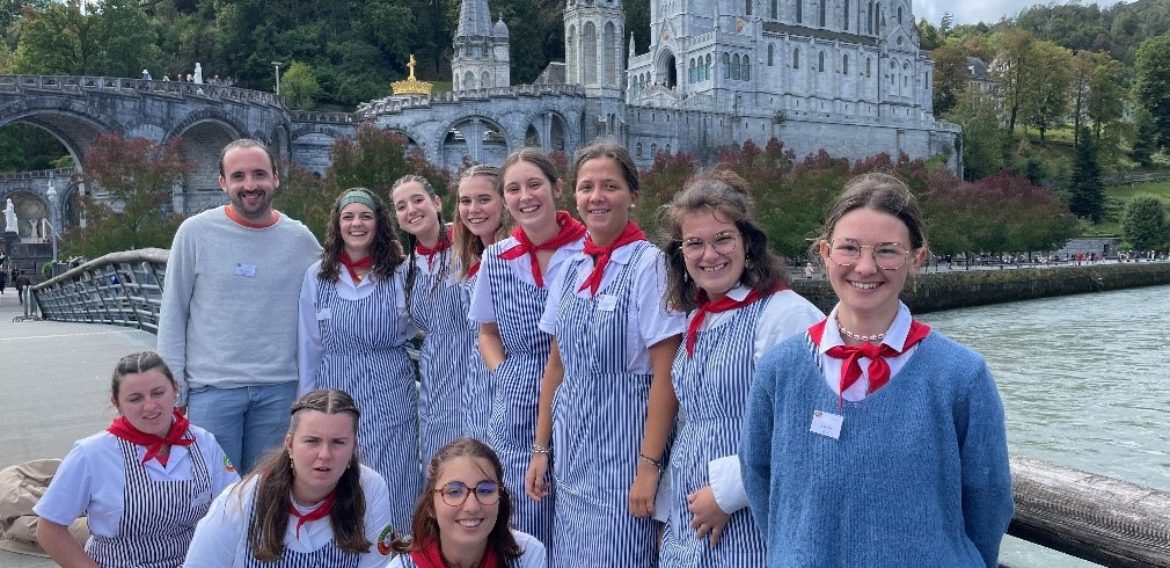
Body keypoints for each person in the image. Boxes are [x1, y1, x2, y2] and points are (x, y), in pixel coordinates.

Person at [740, 173, 1014, 568]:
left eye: (887, 251)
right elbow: (759, 477)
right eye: (849, 248)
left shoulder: (961, 376)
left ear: (916, 259)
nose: (865, 267)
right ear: (825, 254)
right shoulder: (780, 369)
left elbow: (989, 496)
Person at [525, 142, 683, 566]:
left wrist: (649, 466)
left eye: (610, 186)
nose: (596, 197)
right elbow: (556, 367)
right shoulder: (570, 267)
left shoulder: (651, 266)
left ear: (633, 195)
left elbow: (666, 376)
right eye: (586, 187)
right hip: (574, 445)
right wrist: (542, 448)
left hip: (626, 448)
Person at [655, 171, 823, 566]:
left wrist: (729, 493)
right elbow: (691, 428)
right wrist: (669, 513)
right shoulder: (700, 317)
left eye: (722, 239)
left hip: (749, 519)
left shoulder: (785, 314)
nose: (709, 255)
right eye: (694, 243)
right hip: (690, 522)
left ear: (747, 243)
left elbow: (805, 425)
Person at [157, 138, 321, 475]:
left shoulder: (300, 239)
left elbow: (338, 288)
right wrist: (173, 387)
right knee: (213, 494)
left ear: (276, 177)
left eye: (259, 174)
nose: (250, 185)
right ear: (223, 182)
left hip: (280, 389)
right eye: (239, 176)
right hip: (213, 389)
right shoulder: (195, 233)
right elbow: (173, 311)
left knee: (268, 494)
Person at [469, 148, 587, 548]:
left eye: (534, 184)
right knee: (518, 511)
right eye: (514, 189)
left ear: (557, 189)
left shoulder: (590, 250)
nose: (525, 196)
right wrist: (503, 372)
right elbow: (486, 331)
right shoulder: (496, 258)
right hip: (517, 398)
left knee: (575, 512)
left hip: (579, 392)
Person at [34, 352, 239, 568]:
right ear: (117, 403)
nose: (150, 406)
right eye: (135, 398)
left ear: (175, 390)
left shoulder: (203, 442)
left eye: (158, 393)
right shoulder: (92, 453)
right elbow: (49, 528)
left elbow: (234, 508)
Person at [297, 187, 419, 534]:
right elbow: (309, 344)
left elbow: (417, 324)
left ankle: (394, 551)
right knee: (337, 470)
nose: (357, 223)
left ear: (379, 223)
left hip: (389, 388)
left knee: (394, 473)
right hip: (335, 388)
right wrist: (305, 407)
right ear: (337, 224)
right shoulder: (318, 275)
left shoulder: (400, 272)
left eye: (366, 216)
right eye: (348, 216)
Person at [184, 389, 394, 567]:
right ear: (289, 444)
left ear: (354, 447)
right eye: (312, 441)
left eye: (338, 442)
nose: (324, 454)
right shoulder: (241, 500)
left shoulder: (370, 489)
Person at [392, 174, 476, 467]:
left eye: (418, 200)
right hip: (435, 376)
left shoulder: (471, 247)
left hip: (476, 366)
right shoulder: (406, 269)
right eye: (401, 206)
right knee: (441, 463)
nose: (411, 210)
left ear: (437, 203)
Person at [387, 437, 546, 567]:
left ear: (500, 498)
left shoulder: (527, 556)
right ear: (431, 506)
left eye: (485, 490)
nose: (472, 506)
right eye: (454, 492)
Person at [451, 165, 509, 443]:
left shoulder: (515, 257)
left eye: (484, 199)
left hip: (508, 380)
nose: (473, 209)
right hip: (476, 382)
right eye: (465, 201)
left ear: (505, 201)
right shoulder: (472, 255)